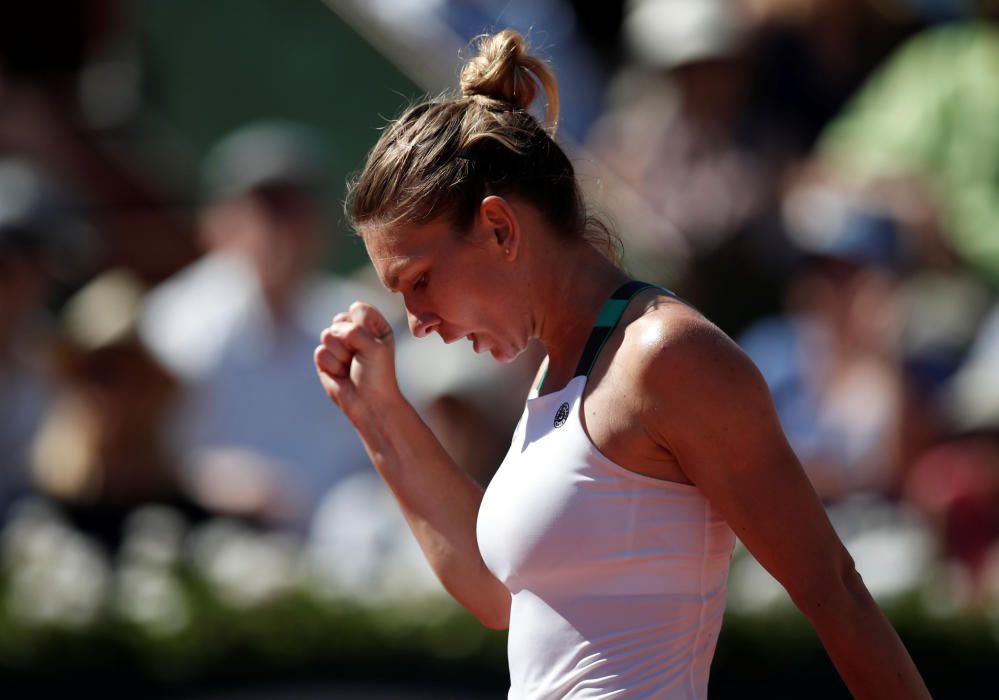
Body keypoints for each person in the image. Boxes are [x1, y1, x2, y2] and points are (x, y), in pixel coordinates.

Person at [314, 30, 930, 699]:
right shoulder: (559, 373)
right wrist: (378, 417)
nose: (417, 323)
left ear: (499, 228)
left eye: (419, 282)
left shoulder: (665, 356)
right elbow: (497, 596)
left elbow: (834, 592)